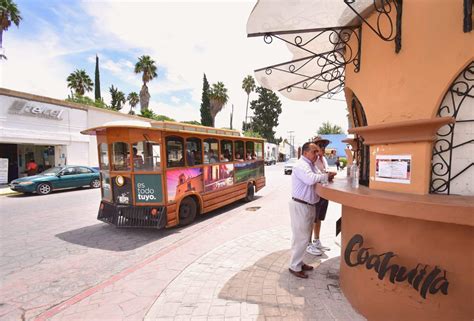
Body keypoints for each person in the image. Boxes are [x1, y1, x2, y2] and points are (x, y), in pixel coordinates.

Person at [288, 142, 329, 279]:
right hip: (301, 205)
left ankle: (299, 262)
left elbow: (319, 173)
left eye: (317, 152)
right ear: (305, 153)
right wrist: (325, 176)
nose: (317, 154)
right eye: (314, 151)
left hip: (308, 205)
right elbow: (310, 179)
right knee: (301, 237)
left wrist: (324, 175)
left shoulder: (310, 164)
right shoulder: (301, 165)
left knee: (304, 237)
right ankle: (294, 266)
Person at [306, 137, 335, 256]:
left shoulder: (324, 159)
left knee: (319, 218)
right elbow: (313, 176)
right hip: (315, 193)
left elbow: (324, 172)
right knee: (312, 219)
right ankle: (308, 243)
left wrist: (329, 175)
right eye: (320, 145)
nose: (323, 148)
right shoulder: (313, 160)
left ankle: (316, 240)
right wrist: (325, 175)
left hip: (324, 193)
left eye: (324, 146)